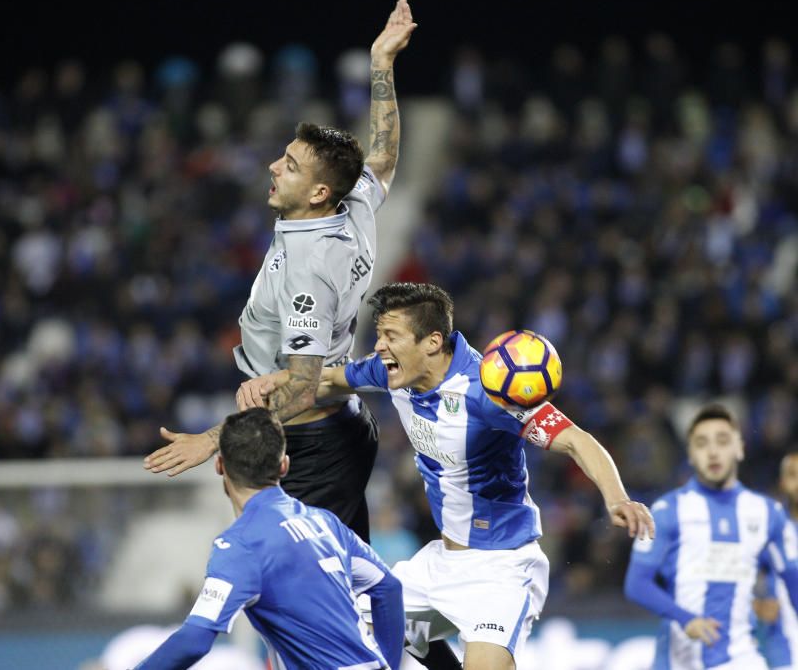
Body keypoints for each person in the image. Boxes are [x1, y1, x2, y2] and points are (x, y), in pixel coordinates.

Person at [238, 281, 654, 670]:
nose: (379, 346)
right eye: (380, 334)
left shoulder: (489, 392)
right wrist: (265, 391)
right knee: (345, 623)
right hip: (440, 562)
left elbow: (577, 441)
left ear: (433, 342)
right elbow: (325, 382)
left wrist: (618, 498)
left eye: (391, 336)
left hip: (502, 568)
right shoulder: (391, 372)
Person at [143, 0, 418, 544]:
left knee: (310, 603)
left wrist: (215, 440)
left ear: (318, 192)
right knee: (336, 588)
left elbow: (301, 386)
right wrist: (381, 63)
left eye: (289, 165)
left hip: (310, 445)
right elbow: (382, 158)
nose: (273, 166)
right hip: (337, 429)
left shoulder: (308, 271)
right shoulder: (352, 204)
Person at [134, 408, 405, 670]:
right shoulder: (325, 522)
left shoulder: (240, 545)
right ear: (284, 464)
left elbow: (194, 641)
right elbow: (388, 588)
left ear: (219, 465)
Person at [624, 404, 798, 670]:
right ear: (691, 456)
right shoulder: (666, 511)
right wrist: (685, 618)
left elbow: (793, 581)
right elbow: (637, 583)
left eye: (723, 441)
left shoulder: (767, 514)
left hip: (742, 658)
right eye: (702, 444)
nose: (713, 452)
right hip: (679, 660)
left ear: (739, 448)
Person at [755, 451, 798, 670]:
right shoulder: (769, 532)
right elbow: (738, 574)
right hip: (785, 649)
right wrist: (757, 605)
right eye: (793, 475)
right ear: (783, 483)